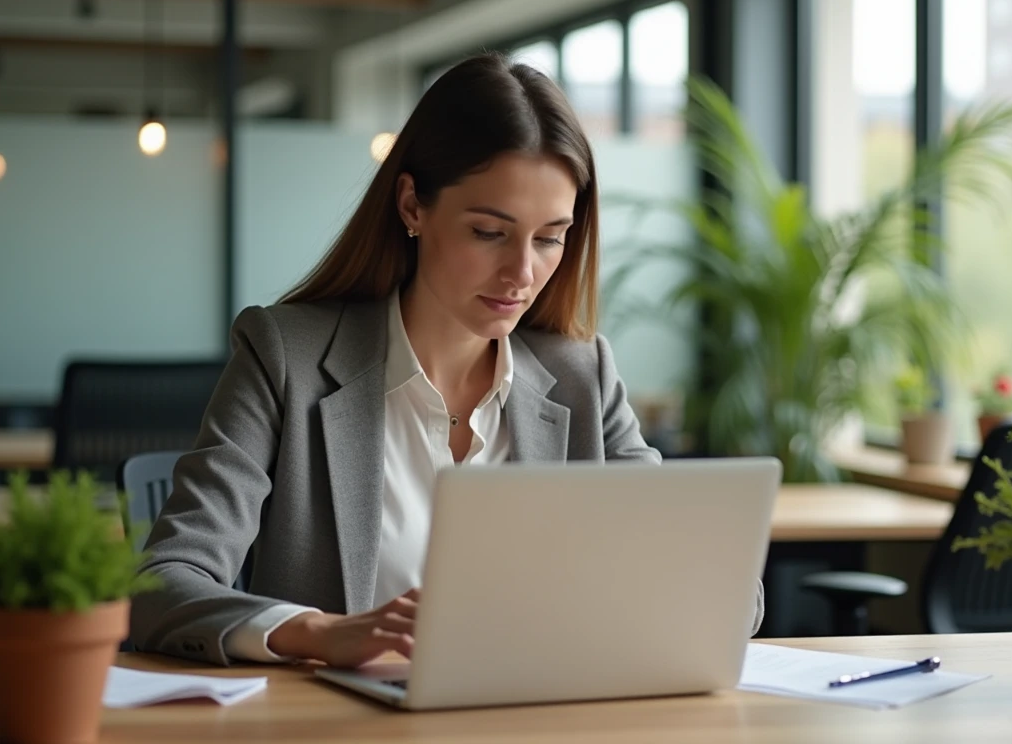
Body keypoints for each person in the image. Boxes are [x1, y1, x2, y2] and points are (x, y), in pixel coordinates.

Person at [130, 52, 764, 667]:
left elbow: (726, 596)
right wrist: (323, 633)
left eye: (549, 239)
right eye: (489, 232)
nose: (522, 273)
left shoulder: (582, 376)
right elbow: (163, 584)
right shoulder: (285, 358)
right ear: (412, 206)